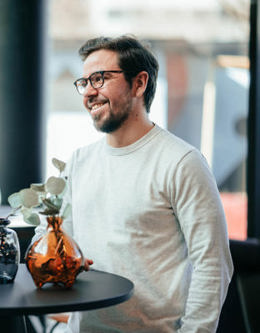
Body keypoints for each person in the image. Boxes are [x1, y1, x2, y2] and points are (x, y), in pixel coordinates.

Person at [35, 35, 233, 332]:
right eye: (84, 82)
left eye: (99, 79)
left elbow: (213, 264)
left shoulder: (182, 162)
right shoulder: (79, 162)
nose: (89, 92)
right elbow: (54, 241)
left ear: (139, 83)